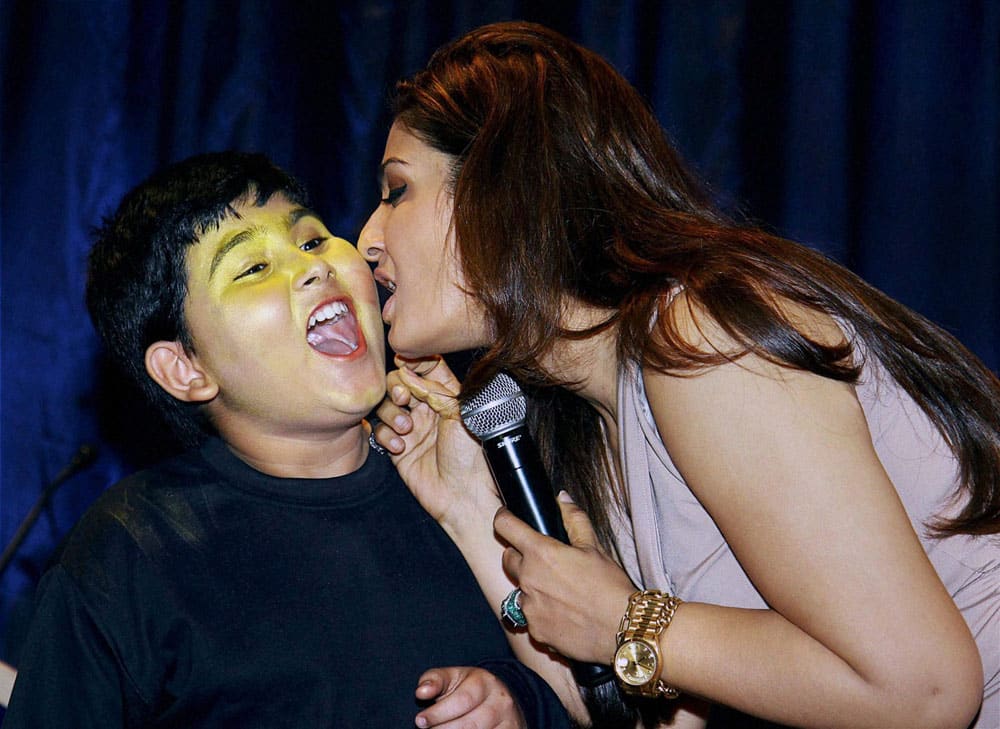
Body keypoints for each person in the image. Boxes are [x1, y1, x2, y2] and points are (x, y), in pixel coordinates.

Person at [361, 21, 999, 729]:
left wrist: (627, 618)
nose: (367, 241)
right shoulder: (596, 416)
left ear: (501, 188)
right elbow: (637, 708)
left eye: (397, 191)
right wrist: (466, 502)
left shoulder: (699, 339)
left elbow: (928, 691)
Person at [2, 151, 573, 729]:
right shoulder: (128, 553)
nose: (313, 268)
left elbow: (600, 692)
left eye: (311, 240)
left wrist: (520, 704)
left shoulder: (476, 473)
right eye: (252, 268)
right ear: (186, 369)